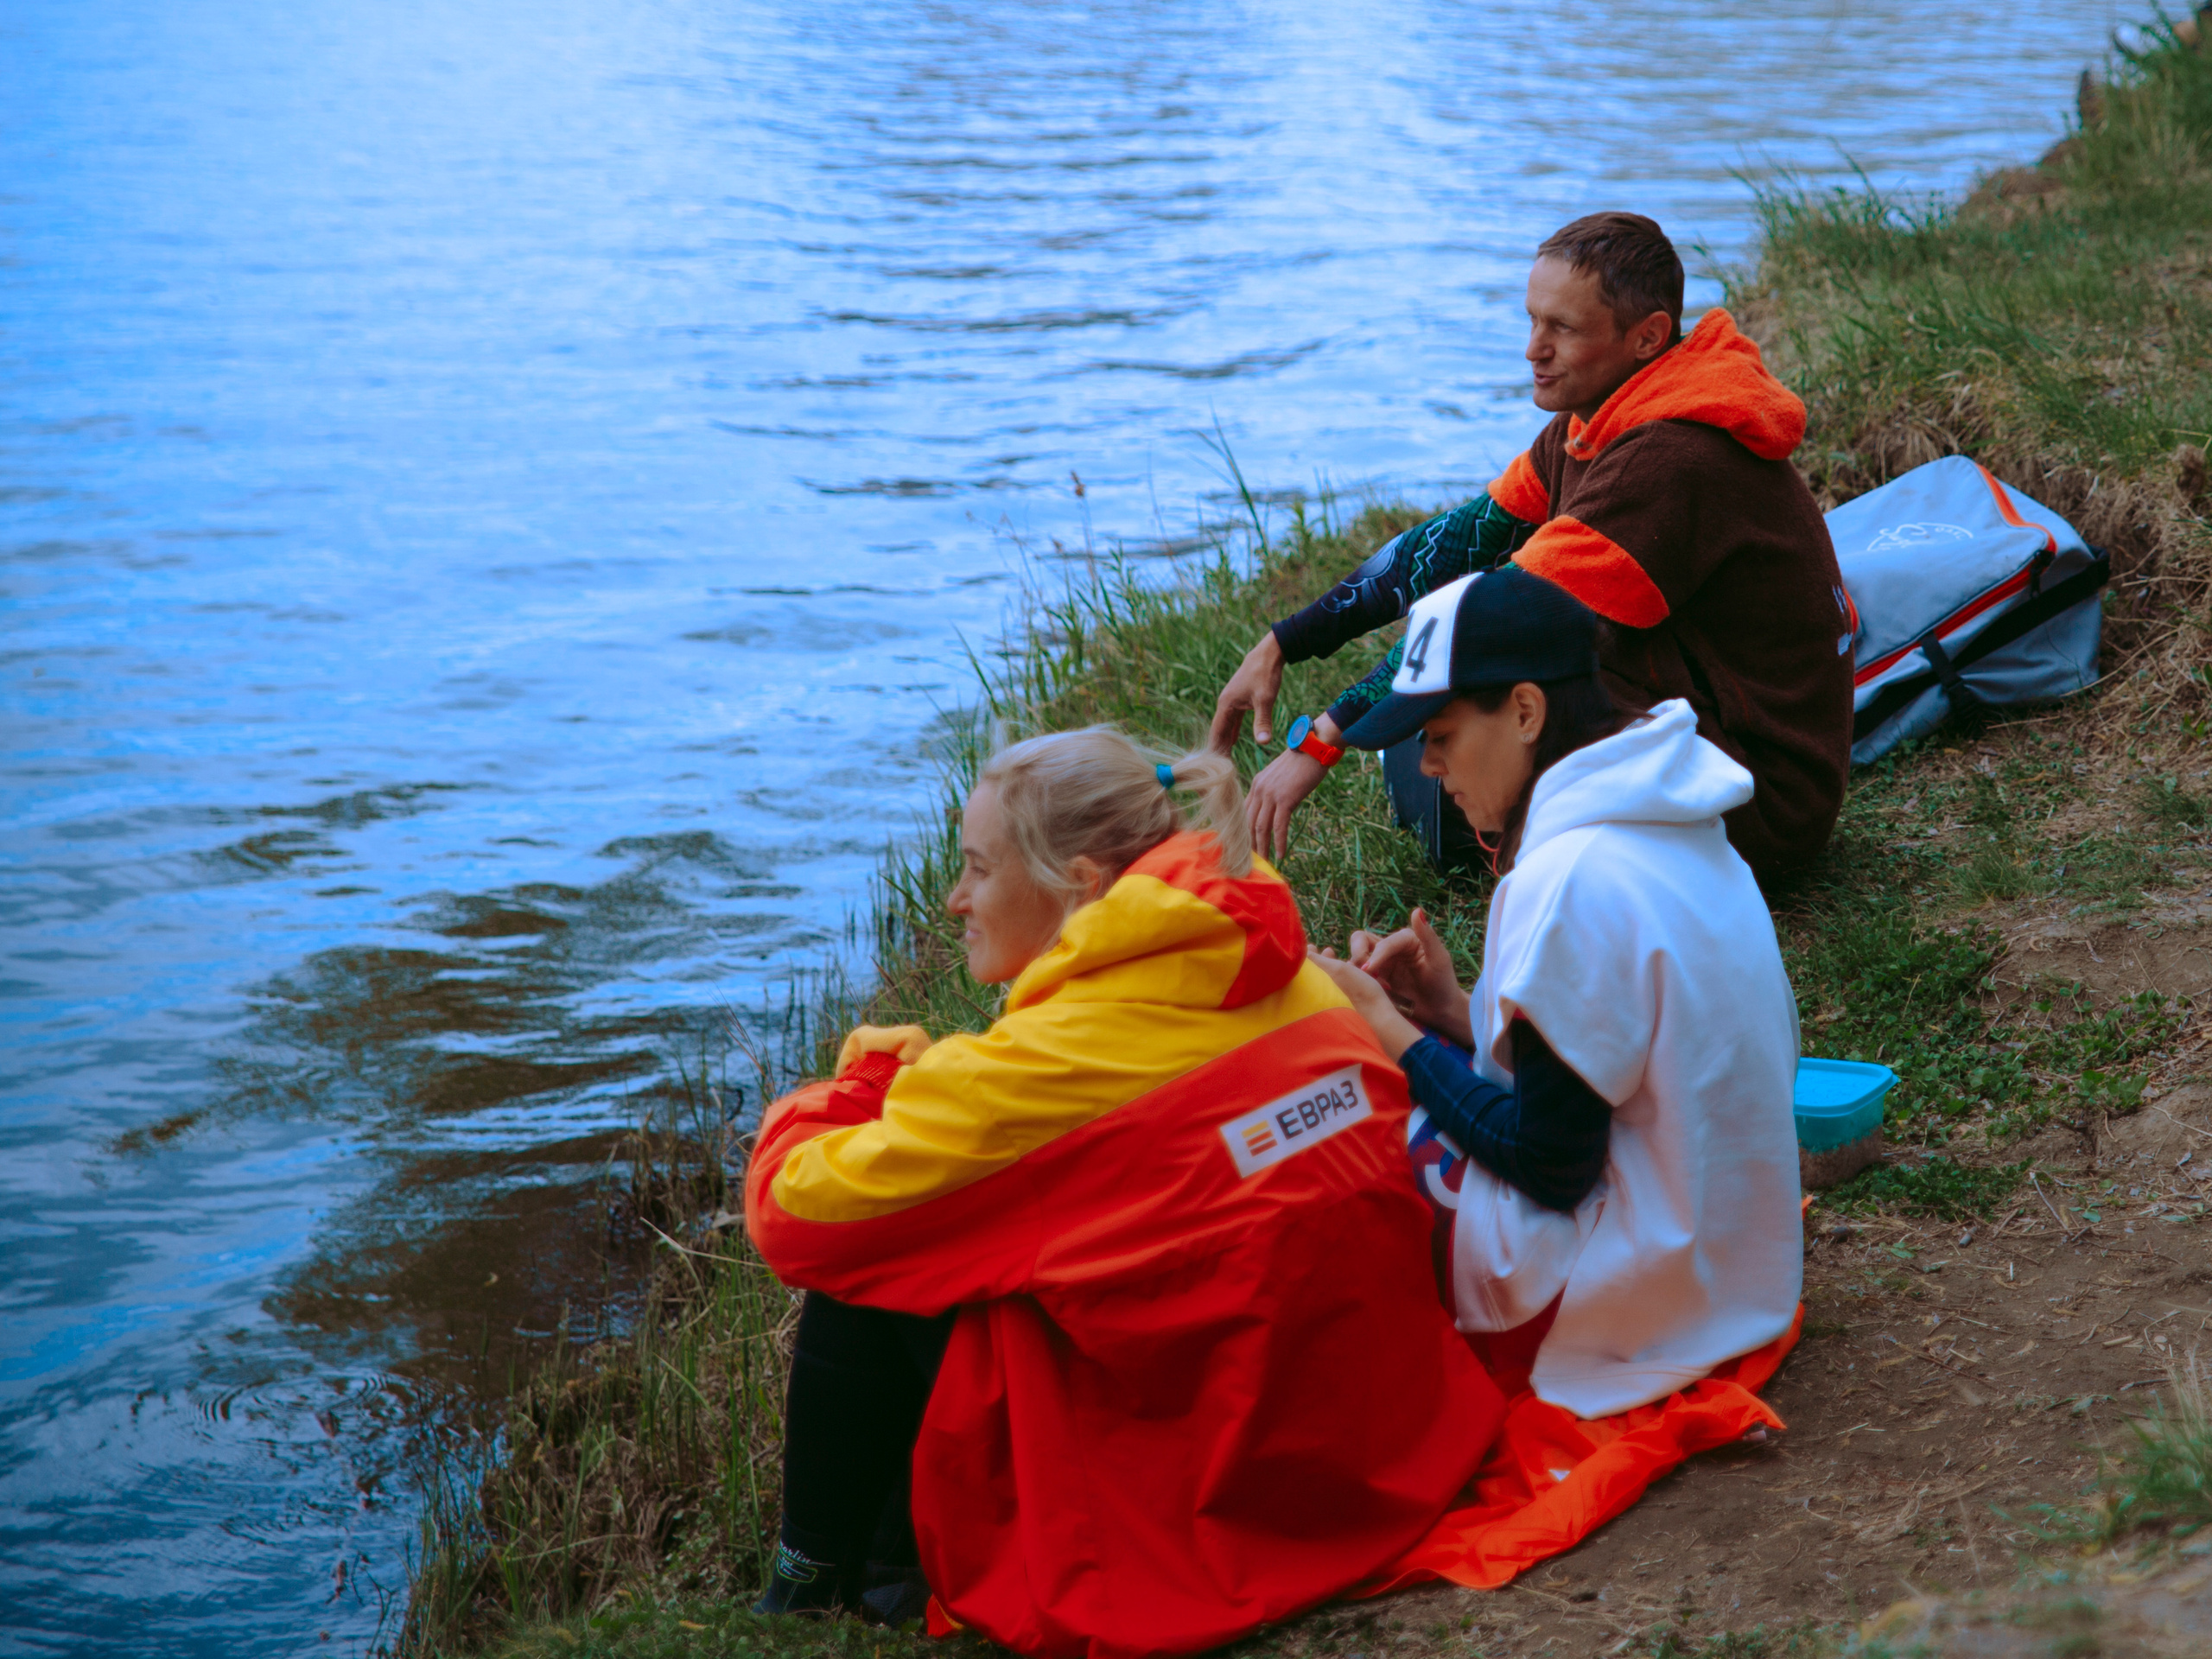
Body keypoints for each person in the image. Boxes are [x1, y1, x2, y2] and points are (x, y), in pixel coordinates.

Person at [743, 728, 1504, 1656]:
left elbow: (792, 1216)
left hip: (1220, 1508)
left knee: (875, 1267)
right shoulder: (1295, 978)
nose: (953, 901)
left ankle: (809, 1591)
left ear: (1082, 883)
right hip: (1382, 1454)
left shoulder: (1044, 1075)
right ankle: (881, 1574)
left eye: (979, 870)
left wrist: (862, 1082)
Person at [1210, 211, 1854, 880]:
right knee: (1465, 705)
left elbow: (1489, 614)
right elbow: (1456, 542)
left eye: (1562, 328)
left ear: (1648, 337)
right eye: (1532, 320)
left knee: (1500, 673)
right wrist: (1288, 640)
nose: (1532, 349)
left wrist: (1319, 742)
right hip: (1709, 731)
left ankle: (1537, 861)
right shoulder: (1597, 420)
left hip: (1764, 803)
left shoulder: (1667, 461)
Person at [1306, 566, 1803, 1416]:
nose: (1426, 766)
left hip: (1631, 1304)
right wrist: (1454, 1015)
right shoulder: (1667, 812)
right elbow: (1618, 1054)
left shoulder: (1565, 877)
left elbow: (1550, 1166)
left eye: (1441, 734)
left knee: (1330, 1121)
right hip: (1734, 1259)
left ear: (1527, 712)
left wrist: (1388, 1033)